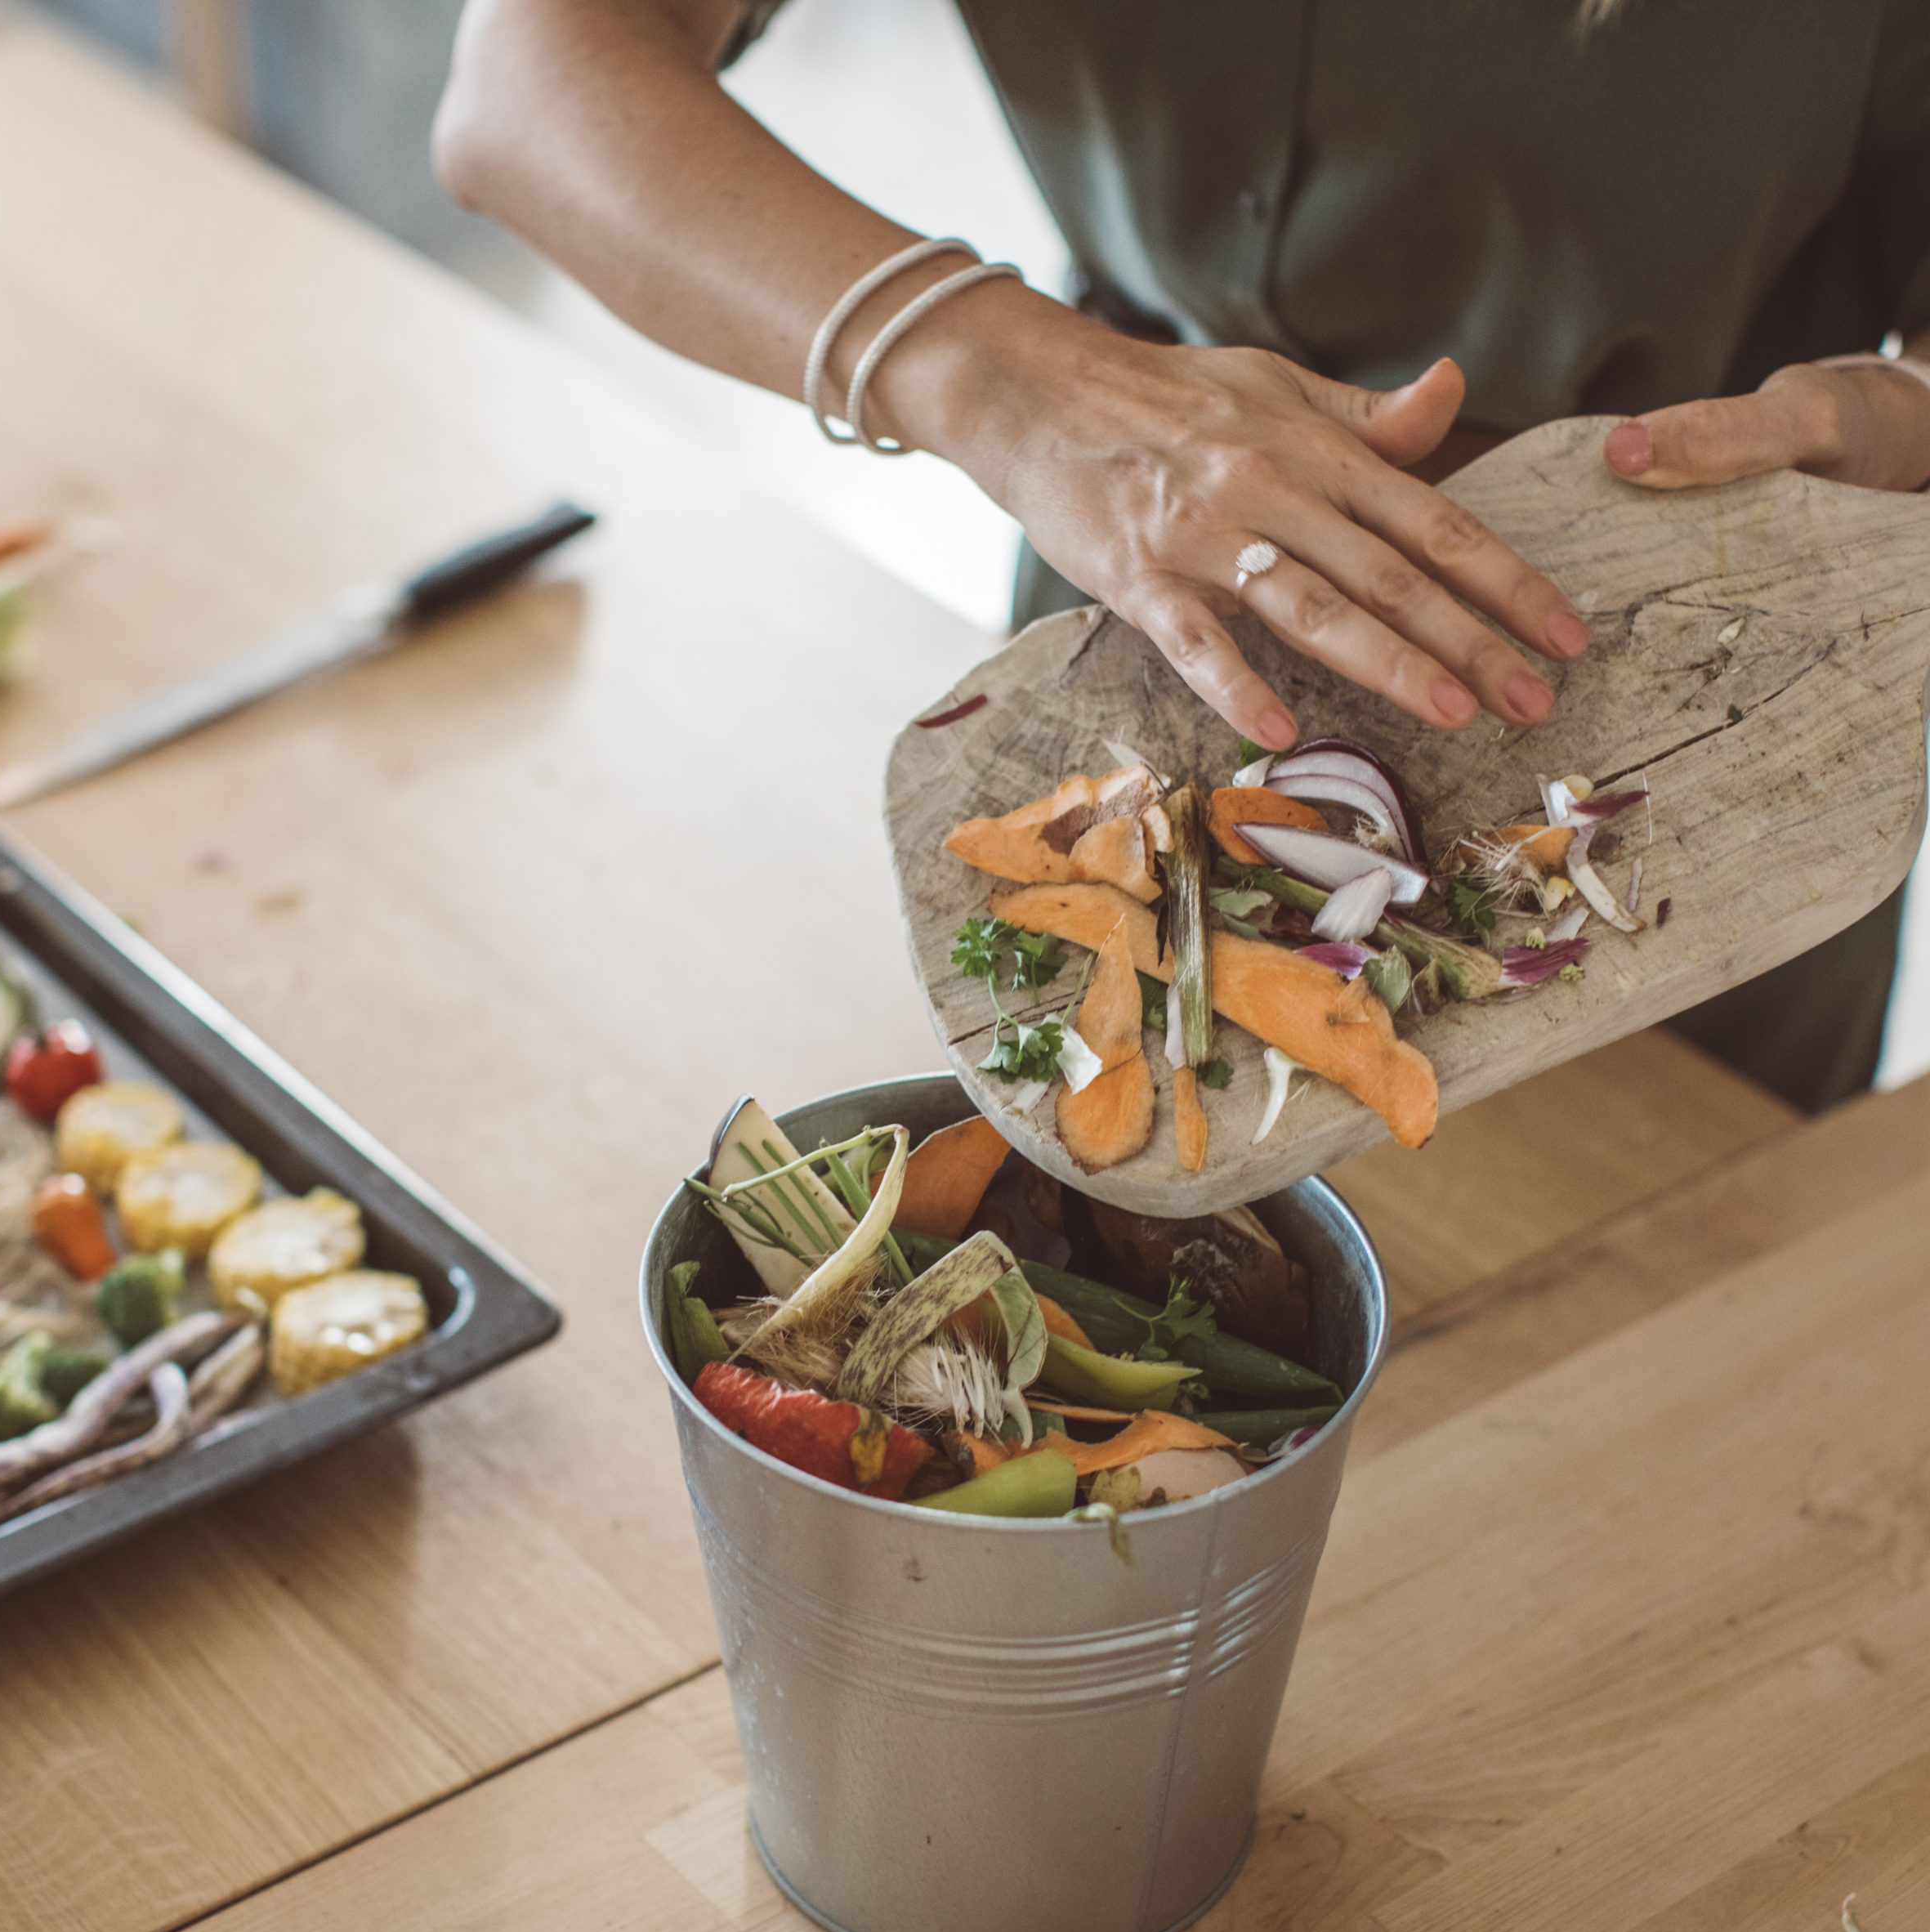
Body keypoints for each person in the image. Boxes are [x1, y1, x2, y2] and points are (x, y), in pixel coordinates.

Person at [434, 0, 1930, 1110]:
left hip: (1722, 699)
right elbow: (532, 85)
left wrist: (1910, 413)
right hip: (1149, 602)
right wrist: (998, 375)